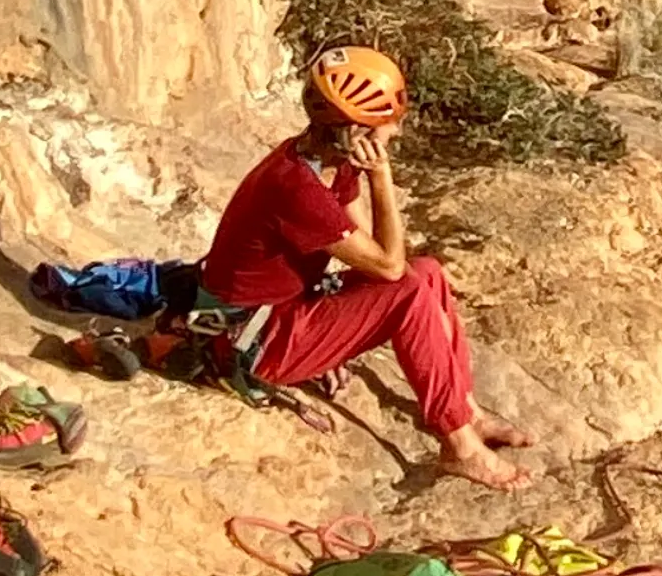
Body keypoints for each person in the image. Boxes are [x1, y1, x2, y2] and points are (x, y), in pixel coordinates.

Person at [200, 43, 534, 491]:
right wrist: (382, 177)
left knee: (429, 271)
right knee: (410, 288)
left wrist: (366, 177)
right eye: (386, 130)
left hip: (283, 314)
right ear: (355, 131)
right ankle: (461, 448)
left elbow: (379, 254)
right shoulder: (297, 188)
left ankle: (466, 412)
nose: (393, 136)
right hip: (255, 340)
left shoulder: (327, 165)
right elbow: (389, 269)